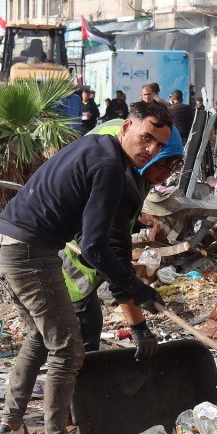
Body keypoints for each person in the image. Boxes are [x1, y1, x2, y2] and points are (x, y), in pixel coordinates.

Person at [0, 100, 173, 434]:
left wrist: (132, 289)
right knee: (68, 351)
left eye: (159, 146)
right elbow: (95, 247)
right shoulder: (109, 168)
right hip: (29, 253)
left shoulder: (95, 147)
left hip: (6, 243)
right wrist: (134, 289)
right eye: (146, 138)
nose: (150, 150)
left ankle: (9, 429)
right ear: (126, 127)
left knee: (40, 339)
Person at [69, 125, 186, 355]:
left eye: (173, 167)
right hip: (70, 268)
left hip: (88, 254)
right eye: (163, 164)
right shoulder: (117, 183)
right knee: (81, 339)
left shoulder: (129, 149)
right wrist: (139, 328)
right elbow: (115, 258)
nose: (166, 174)